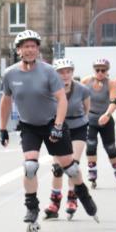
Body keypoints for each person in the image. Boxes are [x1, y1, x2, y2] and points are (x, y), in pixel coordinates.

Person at [0, 30, 98, 232]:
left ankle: (83, 194)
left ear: (38, 49)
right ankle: (32, 208)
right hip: (29, 125)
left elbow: (62, 99)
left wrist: (58, 126)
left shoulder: (48, 71)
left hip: (52, 123)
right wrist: (2, 129)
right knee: (30, 165)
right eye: (26, 46)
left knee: (69, 168)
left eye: (33, 46)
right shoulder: (10, 74)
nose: (30, 50)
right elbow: (6, 101)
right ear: (19, 50)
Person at [44, 58, 92, 220]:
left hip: (78, 126)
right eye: (61, 72)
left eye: (68, 71)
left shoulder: (83, 89)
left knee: (73, 166)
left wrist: (82, 122)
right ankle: (54, 202)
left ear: (72, 72)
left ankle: (72, 198)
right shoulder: (50, 90)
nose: (65, 75)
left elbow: (87, 110)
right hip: (59, 128)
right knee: (57, 168)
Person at [80, 58, 116, 189]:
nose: (100, 72)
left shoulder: (111, 83)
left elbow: (114, 101)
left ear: (107, 71)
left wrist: (107, 114)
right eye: (97, 70)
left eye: (103, 70)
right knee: (91, 145)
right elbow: (79, 98)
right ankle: (92, 171)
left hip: (105, 118)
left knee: (110, 147)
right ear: (93, 70)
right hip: (90, 118)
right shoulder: (85, 81)